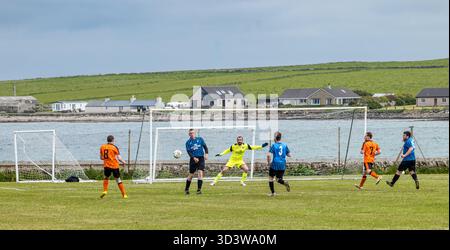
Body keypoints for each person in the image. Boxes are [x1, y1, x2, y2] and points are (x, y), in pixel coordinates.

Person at [267, 132, 291, 196]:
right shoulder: (284, 145)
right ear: (280, 138)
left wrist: (269, 163)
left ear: (275, 138)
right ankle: (284, 182)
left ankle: (273, 193)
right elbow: (289, 155)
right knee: (278, 179)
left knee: (271, 178)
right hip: (282, 164)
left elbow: (268, 155)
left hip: (275, 163)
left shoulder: (274, 145)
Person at [185, 129, 209, 195]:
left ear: (195, 133)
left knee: (200, 172)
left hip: (201, 158)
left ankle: (199, 190)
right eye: (190, 133)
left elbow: (205, 147)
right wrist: (193, 158)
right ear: (189, 134)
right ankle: (186, 189)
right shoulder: (188, 142)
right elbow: (189, 152)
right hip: (193, 159)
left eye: (192, 133)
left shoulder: (200, 139)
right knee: (191, 175)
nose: (192, 134)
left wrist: (206, 154)